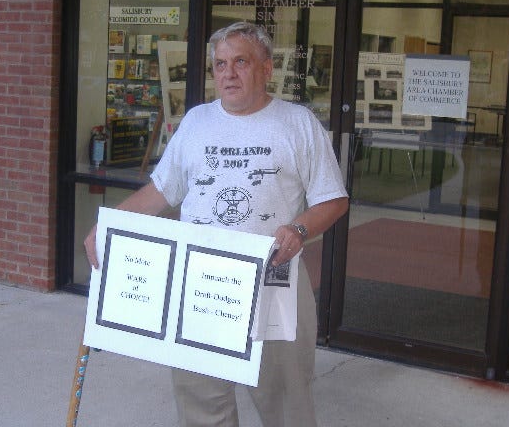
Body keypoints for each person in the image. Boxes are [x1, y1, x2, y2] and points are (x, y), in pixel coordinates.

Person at [84, 21, 349, 427]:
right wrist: (109, 227)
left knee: (285, 403)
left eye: (240, 61)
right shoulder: (196, 123)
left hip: (271, 283)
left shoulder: (297, 124)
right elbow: (159, 192)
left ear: (266, 68)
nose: (228, 73)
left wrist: (298, 230)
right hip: (199, 285)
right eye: (220, 64)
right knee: (201, 403)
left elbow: (333, 199)